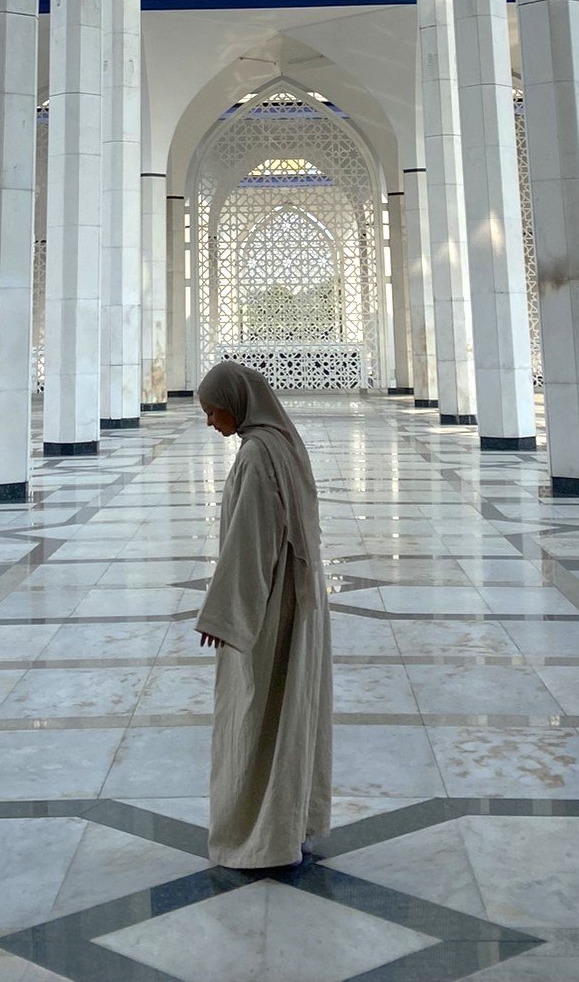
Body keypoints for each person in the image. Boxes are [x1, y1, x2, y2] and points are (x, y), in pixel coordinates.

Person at [194, 361, 333, 870]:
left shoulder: (257, 455)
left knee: (260, 716)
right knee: (292, 713)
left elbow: (251, 544)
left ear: (237, 402)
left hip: (272, 607)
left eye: (212, 410)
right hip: (300, 600)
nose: (210, 421)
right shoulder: (284, 443)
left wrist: (225, 616)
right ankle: (293, 825)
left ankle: (261, 837)